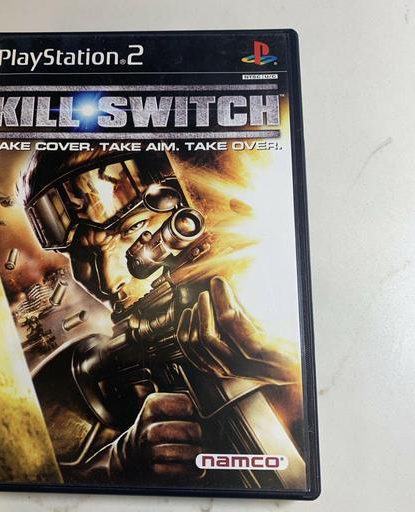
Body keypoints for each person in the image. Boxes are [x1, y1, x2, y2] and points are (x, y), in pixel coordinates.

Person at [18, 149, 303, 486]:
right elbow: (27, 480)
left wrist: (291, 367)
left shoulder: (277, 271)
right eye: (81, 254)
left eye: (135, 227)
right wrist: (119, 464)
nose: (109, 280)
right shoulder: (81, 379)